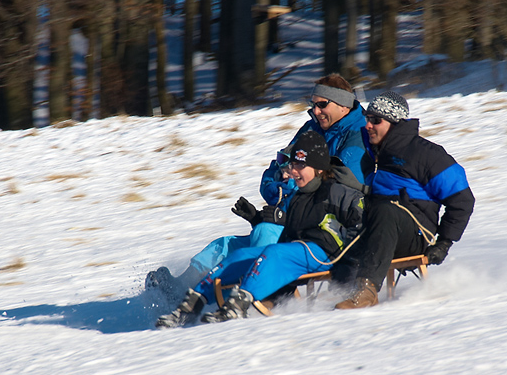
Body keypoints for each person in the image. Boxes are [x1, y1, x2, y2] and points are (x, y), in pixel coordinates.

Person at [146, 73, 368, 300]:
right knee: (224, 246)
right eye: (313, 106)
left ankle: (259, 297)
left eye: (322, 105)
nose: (316, 111)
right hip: (294, 218)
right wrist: (278, 191)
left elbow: (340, 187)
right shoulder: (310, 129)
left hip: (324, 229)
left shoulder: (357, 137)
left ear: (343, 105)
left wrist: (284, 200)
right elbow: (277, 168)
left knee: (264, 232)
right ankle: (181, 290)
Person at [156, 130, 364, 328]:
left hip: (325, 254)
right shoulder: (297, 197)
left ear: (318, 167)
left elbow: (361, 223)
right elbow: (287, 233)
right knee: (240, 255)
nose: (292, 171)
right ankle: (191, 307)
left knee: (273, 252)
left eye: (300, 165)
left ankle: (238, 304)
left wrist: (349, 264)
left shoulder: (337, 191)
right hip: (296, 251)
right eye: (292, 164)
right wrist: (258, 219)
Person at [334, 91, 475, 309]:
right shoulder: (371, 154)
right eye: (367, 119)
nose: (369, 125)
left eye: (376, 120)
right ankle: (334, 289)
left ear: (394, 122)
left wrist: (444, 242)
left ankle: (366, 291)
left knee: (385, 210)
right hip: (379, 230)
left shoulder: (426, 154)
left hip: (414, 233)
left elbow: (463, 199)